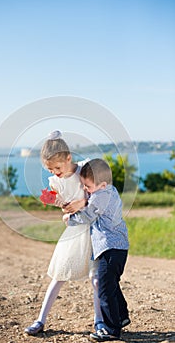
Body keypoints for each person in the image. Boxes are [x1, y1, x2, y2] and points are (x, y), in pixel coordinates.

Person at [24, 130, 103, 335]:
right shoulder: (55, 182)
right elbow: (63, 204)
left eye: (58, 167)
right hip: (75, 231)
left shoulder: (85, 170)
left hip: (95, 229)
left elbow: (100, 194)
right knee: (59, 275)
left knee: (96, 278)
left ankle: (99, 321)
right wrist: (59, 204)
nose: (55, 173)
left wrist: (82, 202)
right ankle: (40, 320)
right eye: (50, 170)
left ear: (69, 158)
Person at [65, 158, 130, 341]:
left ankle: (111, 329)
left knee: (104, 288)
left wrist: (70, 219)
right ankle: (122, 317)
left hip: (110, 248)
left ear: (101, 184)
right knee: (111, 284)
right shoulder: (109, 190)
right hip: (117, 248)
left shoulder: (100, 196)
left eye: (87, 186)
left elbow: (88, 216)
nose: (85, 189)